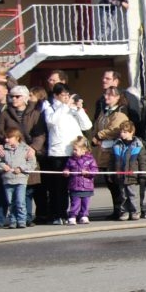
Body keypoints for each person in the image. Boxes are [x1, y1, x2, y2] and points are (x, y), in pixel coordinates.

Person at [43, 84, 93, 224]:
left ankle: (75, 213)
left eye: (67, 94)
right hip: (58, 153)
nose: (66, 97)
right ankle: (59, 214)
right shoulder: (50, 108)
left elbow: (87, 126)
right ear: (56, 95)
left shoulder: (72, 109)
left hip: (74, 153)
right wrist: (65, 106)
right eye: (63, 95)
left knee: (76, 185)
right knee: (59, 187)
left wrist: (79, 110)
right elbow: (51, 121)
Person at [0, 84, 46, 226]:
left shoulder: (35, 113)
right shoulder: (5, 114)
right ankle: (10, 219)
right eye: (11, 96)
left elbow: (40, 134)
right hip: (10, 156)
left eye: (17, 96)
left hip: (27, 154)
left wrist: (34, 148)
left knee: (27, 190)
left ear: (25, 98)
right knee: (10, 191)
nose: (14, 99)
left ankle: (26, 218)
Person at [92, 87, 130, 220]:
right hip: (103, 151)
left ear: (118, 97)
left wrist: (99, 135)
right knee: (110, 183)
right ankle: (116, 209)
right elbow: (96, 125)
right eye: (106, 94)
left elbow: (115, 129)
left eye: (110, 95)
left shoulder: (120, 113)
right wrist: (95, 136)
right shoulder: (104, 112)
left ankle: (122, 209)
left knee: (117, 182)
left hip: (115, 153)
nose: (107, 97)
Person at [111, 121, 146, 220]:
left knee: (133, 195)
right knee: (123, 195)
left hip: (133, 176)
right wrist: (112, 173)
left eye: (125, 132)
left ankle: (135, 211)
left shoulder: (138, 145)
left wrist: (143, 175)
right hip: (121, 176)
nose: (122, 134)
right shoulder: (116, 145)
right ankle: (124, 212)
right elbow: (113, 161)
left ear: (131, 132)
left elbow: (144, 162)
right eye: (121, 132)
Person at [0, 128, 37, 228]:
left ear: (17, 138)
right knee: (10, 202)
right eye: (6, 138)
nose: (6, 140)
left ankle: (21, 220)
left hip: (21, 180)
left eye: (9, 138)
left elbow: (32, 163)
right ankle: (13, 220)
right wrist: (3, 166)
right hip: (7, 180)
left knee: (20, 201)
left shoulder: (26, 149)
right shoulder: (3, 149)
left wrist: (21, 168)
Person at [64, 136, 96, 224]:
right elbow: (67, 167)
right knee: (75, 202)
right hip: (75, 185)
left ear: (83, 150)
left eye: (75, 149)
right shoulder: (71, 160)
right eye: (73, 149)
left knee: (85, 202)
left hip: (86, 186)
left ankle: (84, 215)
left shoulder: (90, 159)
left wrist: (87, 172)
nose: (73, 151)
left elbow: (95, 171)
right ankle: (72, 216)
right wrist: (66, 171)